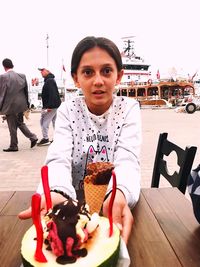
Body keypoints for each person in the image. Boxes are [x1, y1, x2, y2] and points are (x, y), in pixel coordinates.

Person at [19, 36, 142, 244]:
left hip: (112, 206)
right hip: (72, 206)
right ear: (76, 78)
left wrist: (118, 195)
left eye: (106, 71)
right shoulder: (68, 109)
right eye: (87, 72)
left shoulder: (129, 109)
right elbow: (58, 158)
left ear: (119, 76)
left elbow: (128, 159)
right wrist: (56, 193)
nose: (98, 81)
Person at [0, 58, 38, 152]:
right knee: (20, 123)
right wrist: (27, 103)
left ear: (4, 66)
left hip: (10, 105)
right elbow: (26, 91)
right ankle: (32, 137)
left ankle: (14, 146)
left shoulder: (3, 77)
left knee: (12, 126)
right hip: (21, 105)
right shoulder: (22, 76)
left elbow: (2, 93)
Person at [37, 67, 61, 146]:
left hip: (51, 106)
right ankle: (58, 138)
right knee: (55, 122)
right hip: (54, 105)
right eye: (41, 71)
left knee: (44, 122)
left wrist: (49, 106)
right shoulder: (50, 80)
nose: (41, 72)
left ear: (48, 71)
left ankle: (45, 139)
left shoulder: (49, 81)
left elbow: (52, 94)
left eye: (43, 71)